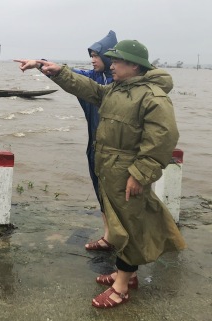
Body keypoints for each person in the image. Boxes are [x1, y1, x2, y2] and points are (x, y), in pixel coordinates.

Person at [14, 39, 186, 309]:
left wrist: (140, 174)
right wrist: (56, 71)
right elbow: (88, 88)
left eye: (116, 61)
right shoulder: (117, 89)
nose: (112, 65)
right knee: (120, 226)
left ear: (134, 65)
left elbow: (163, 139)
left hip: (128, 174)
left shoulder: (153, 97)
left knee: (129, 228)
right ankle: (125, 276)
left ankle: (121, 287)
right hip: (109, 170)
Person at [72, 30, 118, 252]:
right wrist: (40, 64)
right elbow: (68, 74)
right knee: (100, 191)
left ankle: (125, 252)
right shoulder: (92, 79)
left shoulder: (122, 84)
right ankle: (109, 236)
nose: (92, 59)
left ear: (109, 57)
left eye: (96, 56)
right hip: (95, 146)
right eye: (91, 55)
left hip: (117, 152)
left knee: (119, 198)